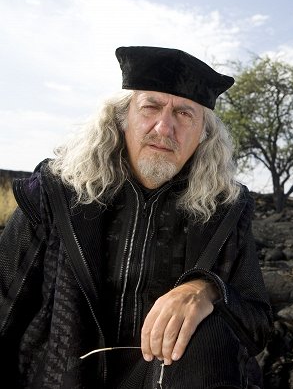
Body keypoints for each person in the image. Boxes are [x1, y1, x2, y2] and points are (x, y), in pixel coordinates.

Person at [0, 46, 273, 388]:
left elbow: (258, 322)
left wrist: (208, 290)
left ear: (204, 134)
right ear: (122, 117)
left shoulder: (227, 208)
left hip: (176, 378)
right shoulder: (55, 191)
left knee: (210, 326)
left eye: (185, 114)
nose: (164, 127)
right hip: (66, 376)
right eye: (151, 107)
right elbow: (5, 301)